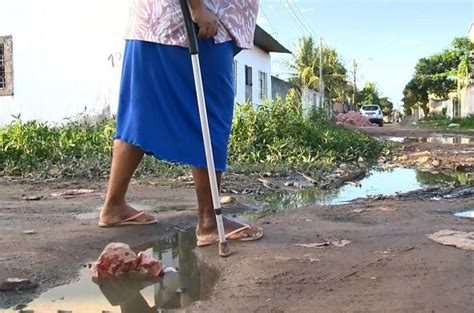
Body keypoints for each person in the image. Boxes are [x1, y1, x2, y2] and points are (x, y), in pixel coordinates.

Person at [98, 0, 263, 246]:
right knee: (209, 112)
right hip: (187, 24)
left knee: (141, 111)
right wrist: (197, 8)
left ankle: (114, 206)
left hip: (154, 23)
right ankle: (209, 221)